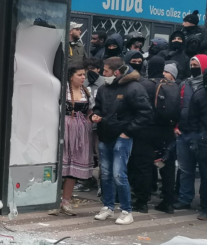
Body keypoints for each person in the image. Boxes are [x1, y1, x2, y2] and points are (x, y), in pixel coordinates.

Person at [91, 57, 153, 225]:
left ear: (116, 72)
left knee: (119, 174)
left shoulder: (134, 88)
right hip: (106, 135)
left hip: (122, 136)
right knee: (106, 174)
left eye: (106, 71)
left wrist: (128, 132)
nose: (103, 74)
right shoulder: (104, 88)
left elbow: (145, 113)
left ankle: (126, 211)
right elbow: (98, 107)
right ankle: (108, 206)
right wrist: (95, 115)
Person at [128, 55, 179, 214]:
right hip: (167, 131)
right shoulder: (172, 85)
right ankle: (168, 202)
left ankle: (142, 201)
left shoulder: (143, 84)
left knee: (143, 166)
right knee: (167, 166)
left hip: (146, 131)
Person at [174, 54, 207, 210]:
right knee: (185, 169)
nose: (193, 68)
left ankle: (205, 202)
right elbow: (177, 105)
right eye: (192, 65)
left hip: (203, 135)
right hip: (183, 131)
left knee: (205, 171)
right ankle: (185, 198)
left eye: (197, 66)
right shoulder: (185, 84)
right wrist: (175, 126)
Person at [57, 63, 93, 215]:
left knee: (73, 166)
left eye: (84, 75)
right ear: (71, 77)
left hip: (81, 131)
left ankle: (66, 200)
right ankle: (53, 199)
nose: (83, 77)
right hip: (65, 129)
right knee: (61, 163)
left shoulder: (87, 91)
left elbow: (90, 111)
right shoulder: (62, 90)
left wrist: (92, 118)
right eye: (80, 75)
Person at [74, 57, 106, 193]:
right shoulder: (83, 82)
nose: (89, 72)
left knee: (101, 154)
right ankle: (85, 180)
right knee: (84, 154)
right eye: (87, 70)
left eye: (92, 69)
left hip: (99, 125)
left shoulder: (104, 83)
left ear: (99, 69)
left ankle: (102, 184)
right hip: (84, 124)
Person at [188, 67, 207, 220]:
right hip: (206, 141)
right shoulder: (200, 95)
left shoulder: (199, 94)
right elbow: (193, 120)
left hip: (205, 140)